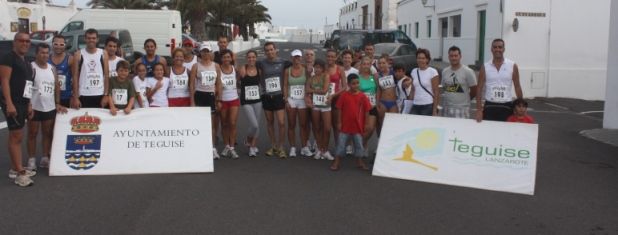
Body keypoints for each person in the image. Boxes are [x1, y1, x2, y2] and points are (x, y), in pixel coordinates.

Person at [0, 32, 36, 186]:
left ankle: (16, 168)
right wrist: (9, 103)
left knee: (18, 136)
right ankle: (20, 174)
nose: (25, 43)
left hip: (23, 103)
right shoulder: (9, 57)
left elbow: (28, 86)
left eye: (27, 41)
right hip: (12, 102)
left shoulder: (27, 62)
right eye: (21, 40)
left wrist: (29, 104)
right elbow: (4, 81)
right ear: (15, 42)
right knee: (16, 136)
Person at [26, 43, 67, 172]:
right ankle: (31, 159)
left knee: (47, 133)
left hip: (49, 107)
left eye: (46, 53)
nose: (44, 55)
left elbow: (56, 87)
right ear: (36, 54)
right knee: (32, 133)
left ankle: (45, 157)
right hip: (35, 106)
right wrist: (28, 104)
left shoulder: (52, 68)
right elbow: (27, 86)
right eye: (41, 52)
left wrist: (57, 102)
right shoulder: (31, 67)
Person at [330, 73, 372, 171]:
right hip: (345, 126)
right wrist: (339, 122)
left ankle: (359, 161)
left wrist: (366, 123)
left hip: (358, 126)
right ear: (348, 84)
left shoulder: (362, 96)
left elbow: (367, 111)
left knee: (359, 145)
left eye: (357, 83)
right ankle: (337, 161)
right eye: (353, 83)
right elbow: (339, 109)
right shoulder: (344, 95)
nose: (356, 85)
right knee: (341, 144)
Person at [476, 39, 523, 122]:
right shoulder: (485, 66)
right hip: (490, 105)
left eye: (500, 47)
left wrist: (521, 107)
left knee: (506, 133)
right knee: (489, 133)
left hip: (506, 105)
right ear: (491, 49)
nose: (497, 49)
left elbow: (517, 87)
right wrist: (479, 110)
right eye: (495, 47)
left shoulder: (512, 65)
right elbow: (479, 89)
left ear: (504, 49)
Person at [257, 42, 291, 158]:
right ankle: (273, 146)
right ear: (265, 52)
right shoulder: (261, 63)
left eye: (271, 49)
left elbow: (298, 64)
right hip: (267, 96)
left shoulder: (283, 62)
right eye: (267, 50)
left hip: (278, 96)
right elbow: (250, 66)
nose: (269, 52)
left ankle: (281, 146)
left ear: (275, 50)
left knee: (281, 123)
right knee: (270, 122)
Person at [190, 43, 222, 159]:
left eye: (207, 51)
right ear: (200, 52)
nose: (205, 53)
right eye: (203, 51)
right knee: (199, 123)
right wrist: (192, 101)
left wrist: (219, 99)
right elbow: (192, 84)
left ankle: (213, 148)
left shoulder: (216, 66)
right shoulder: (196, 66)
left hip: (211, 96)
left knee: (211, 125)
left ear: (210, 52)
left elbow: (218, 83)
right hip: (199, 95)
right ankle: (199, 147)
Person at [71, 28, 109, 109]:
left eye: (93, 38)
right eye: (89, 38)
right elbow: (75, 76)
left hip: (100, 94)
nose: (91, 40)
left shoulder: (103, 53)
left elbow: (106, 75)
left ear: (97, 39)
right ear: (85, 39)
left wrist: (106, 95)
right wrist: (75, 97)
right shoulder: (78, 54)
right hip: (84, 94)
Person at [283, 49, 311, 157]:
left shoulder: (305, 70)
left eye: (298, 57)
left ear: (301, 58)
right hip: (291, 99)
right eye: (295, 57)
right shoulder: (287, 71)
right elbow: (285, 85)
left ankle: (304, 147)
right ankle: (293, 148)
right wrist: (286, 100)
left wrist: (307, 96)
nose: (297, 59)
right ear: (291, 58)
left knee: (303, 125)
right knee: (291, 124)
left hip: (302, 99)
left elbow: (308, 83)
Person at [306, 59, 334, 160]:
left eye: (319, 67)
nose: (317, 69)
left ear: (323, 68)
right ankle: (319, 149)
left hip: (325, 105)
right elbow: (307, 90)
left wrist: (313, 91)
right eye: (316, 67)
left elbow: (325, 90)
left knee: (327, 128)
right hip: (315, 106)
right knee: (316, 127)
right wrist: (315, 91)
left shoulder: (326, 76)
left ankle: (325, 149)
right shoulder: (311, 78)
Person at [441, 46, 477, 119]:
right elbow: (444, 87)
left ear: (460, 56)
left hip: (462, 110)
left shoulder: (468, 71)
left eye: (456, 56)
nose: (453, 58)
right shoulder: (445, 71)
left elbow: (474, 90)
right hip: (447, 108)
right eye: (451, 56)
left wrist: (465, 100)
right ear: (448, 57)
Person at [238, 50, 262, 157]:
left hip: (257, 100)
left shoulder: (259, 70)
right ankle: (248, 140)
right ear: (247, 58)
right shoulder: (243, 69)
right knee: (254, 124)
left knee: (257, 126)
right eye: (249, 57)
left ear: (256, 58)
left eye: (253, 57)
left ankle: (252, 147)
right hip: (246, 100)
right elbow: (237, 82)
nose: (251, 59)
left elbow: (261, 83)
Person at [218, 49, 241, 159]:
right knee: (224, 124)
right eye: (224, 57)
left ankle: (232, 147)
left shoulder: (234, 69)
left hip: (233, 99)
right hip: (222, 100)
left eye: (228, 57)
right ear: (221, 59)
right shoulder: (218, 69)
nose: (226, 59)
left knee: (232, 123)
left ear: (231, 58)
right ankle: (226, 146)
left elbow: (238, 81)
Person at [325, 49, 347, 152]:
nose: (330, 58)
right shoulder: (323, 68)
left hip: (336, 98)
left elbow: (344, 87)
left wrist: (334, 95)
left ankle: (339, 147)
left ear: (336, 57)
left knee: (337, 125)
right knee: (325, 125)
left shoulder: (340, 69)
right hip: (324, 99)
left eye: (332, 56)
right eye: (328, 56)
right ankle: (323, 147)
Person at [358, 57, 379, 157]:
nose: (366, 66)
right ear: (361, 66)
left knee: (370, 128)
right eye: (364, 64)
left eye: (368, 64)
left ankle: (360, 144)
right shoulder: (357, 77)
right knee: (363, 128)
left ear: (371, 66)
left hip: (372, 106)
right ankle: (364, 147)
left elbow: (379, 89)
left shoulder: (374, 77)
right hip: (361, 107)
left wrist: (378, 102)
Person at [410, 48, 440, 116]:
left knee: (425, 126)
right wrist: (409, 103)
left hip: (428, 105)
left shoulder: (432, 72)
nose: (420, 60)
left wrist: (435, 110)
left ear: (427, 59)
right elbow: (413, 89)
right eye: (419, 58)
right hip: (415, 104)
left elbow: (436, 92)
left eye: (423, 58)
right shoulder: (414, 71)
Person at [48, 34, 73, 107]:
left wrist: (74, 96)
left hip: (66, 96)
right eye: (56, 44)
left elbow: (75, 78)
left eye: (61, 44)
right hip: (50, 96)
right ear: (52, 45)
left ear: (65, 45)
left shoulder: (70, 59)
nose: (58, 47)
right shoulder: (47, 58)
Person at [376, 54, 398, 135]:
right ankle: (381, 143)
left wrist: (409, 80)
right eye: (380, 63)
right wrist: (377, 103)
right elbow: (378, 90)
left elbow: (403, 78)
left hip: (393, 103)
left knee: (393, 125)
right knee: (382, 124)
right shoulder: (377, 75)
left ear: (387, 63)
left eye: (383, 63)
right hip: (383, 102)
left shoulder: (393, 73)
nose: (381, 65)